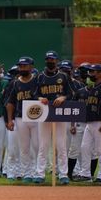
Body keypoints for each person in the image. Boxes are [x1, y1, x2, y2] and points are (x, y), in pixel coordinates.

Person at [32, 51, 76, 184]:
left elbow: (72, 93)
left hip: (60, 113)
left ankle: (63, 174)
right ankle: (40, 174)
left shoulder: (63, 76)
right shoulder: (39, 76)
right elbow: (33, 94)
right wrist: (39, 97)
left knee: (61, 146)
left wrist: (63, 97)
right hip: (44, 113)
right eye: (48, 59)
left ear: (57, 61)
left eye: (52, 59)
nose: (50, 61)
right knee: (43, 145)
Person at [6, 57, 38, 183]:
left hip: (36, 117)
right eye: (20, 66)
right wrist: (10, 120)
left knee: (37, 146)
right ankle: (27, 173)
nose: (22, 68)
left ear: (31, 67)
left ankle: (37, 173)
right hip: (20, 118)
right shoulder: (15, 83)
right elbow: (10, 103)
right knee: (24, 148)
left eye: (25, 66)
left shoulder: (37, 81)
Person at [77, 64, 101, 183]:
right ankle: (85, 174)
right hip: (89, 124)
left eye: (93, 72)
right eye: (90, 71)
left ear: (100, 73)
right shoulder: (93, 88)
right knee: (84, 148)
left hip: (100, 123)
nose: (90, 74)